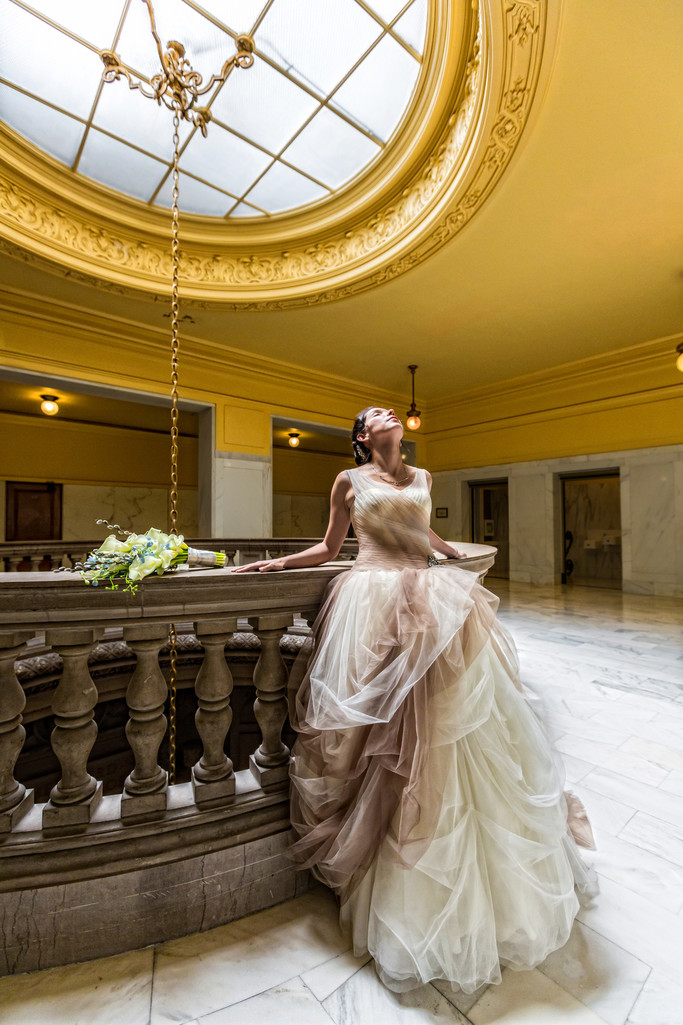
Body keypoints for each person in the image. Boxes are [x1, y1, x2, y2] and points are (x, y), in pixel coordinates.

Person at [233, 406, 597, 994]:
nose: (388, 414)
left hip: (430, 600)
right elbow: (330, 548)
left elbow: (426, 535)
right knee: (379, 735)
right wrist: (280, 562)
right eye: (375, 414)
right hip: (371, 604)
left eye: (390, 411)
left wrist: (456, 559)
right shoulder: (348, 482)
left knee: (454, 728)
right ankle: (395, 868)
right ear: (362, 436)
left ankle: (471, 874)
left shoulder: (424, 477)